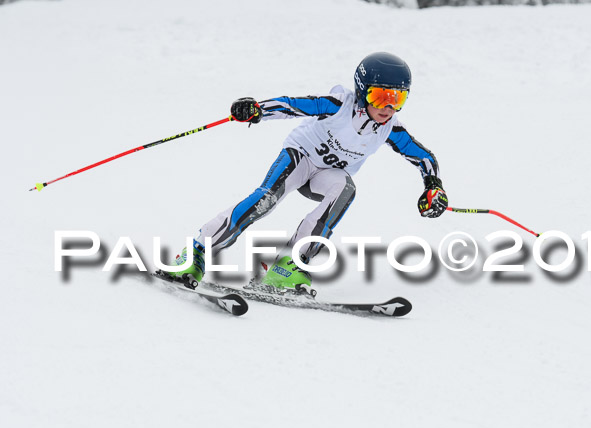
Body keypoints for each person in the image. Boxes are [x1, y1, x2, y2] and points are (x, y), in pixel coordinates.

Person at [167, 52, 448, 292]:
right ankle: (195, 253)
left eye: (397, 99)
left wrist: (433, 185)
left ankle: (288, 265)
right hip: (300, 156)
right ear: (362, 91)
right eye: (380, 96)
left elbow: (422, 156)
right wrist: (257, 110)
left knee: (345, 191)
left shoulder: (390, 128)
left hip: (328, 173)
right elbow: (294, 105)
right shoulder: (339, 106)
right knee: (267, 199)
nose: (387, 107)